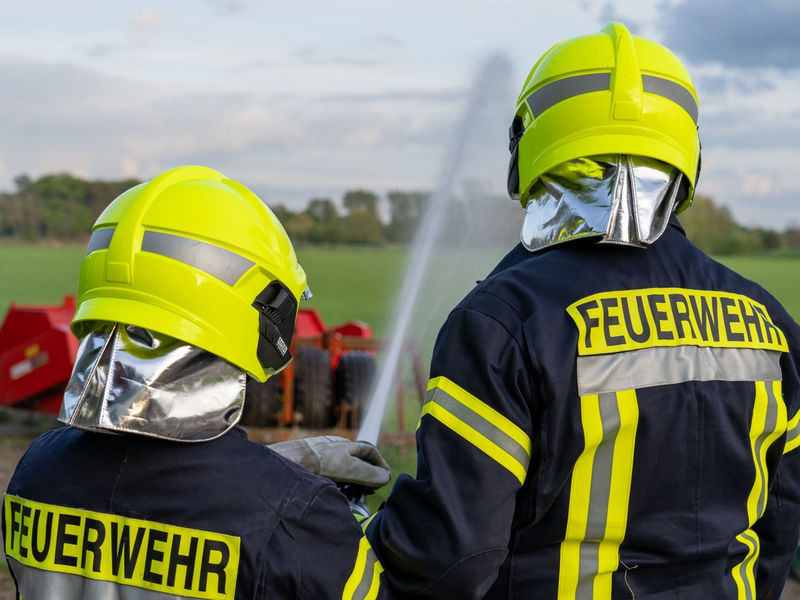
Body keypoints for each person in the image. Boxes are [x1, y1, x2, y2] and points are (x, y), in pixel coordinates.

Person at [356, 22, 800, 599]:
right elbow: (780, 519)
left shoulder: (504, 321)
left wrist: (352, 528)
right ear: (686, 150)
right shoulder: (768, 321)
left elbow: (448, 559)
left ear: (530, 144)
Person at [2, 165, 391, 600]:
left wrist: (281, 466)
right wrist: (340, 515)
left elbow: (157, 492)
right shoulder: (296, 516)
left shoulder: (35, 473)